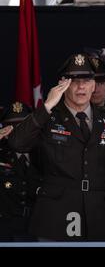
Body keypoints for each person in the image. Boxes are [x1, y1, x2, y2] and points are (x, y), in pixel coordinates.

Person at [7, 53, 105, 241]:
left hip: (99, 218)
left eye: (87, 79)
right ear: (62, 84)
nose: (81, 86)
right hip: (55, 218)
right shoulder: (47, 118)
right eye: (74, 80)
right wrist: (47, 105)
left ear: (93, 85)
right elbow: (16, 143)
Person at [0, 102, 42, 241]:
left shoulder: (45, 154)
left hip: (38, 230)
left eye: (22, 126)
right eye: (11, 127)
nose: (17, 132)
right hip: (4, 231)